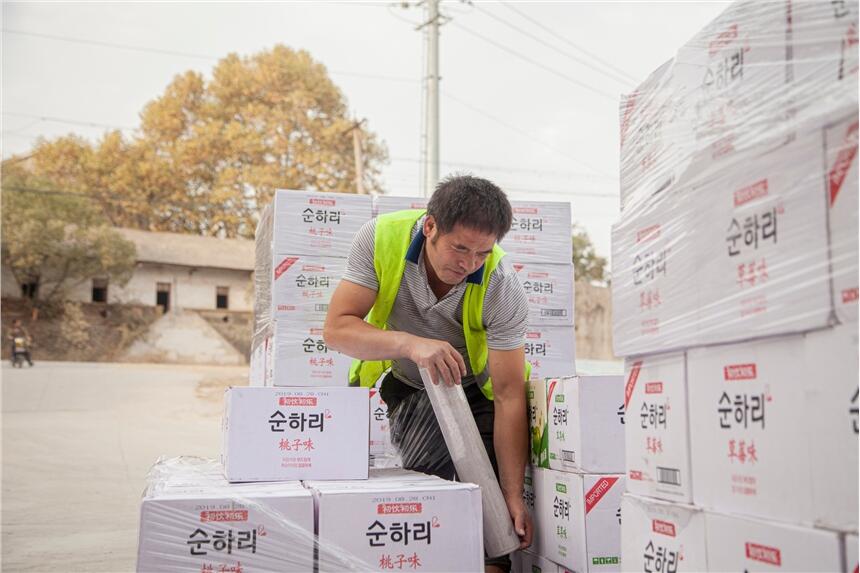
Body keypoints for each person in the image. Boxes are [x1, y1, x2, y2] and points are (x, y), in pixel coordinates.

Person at [324, 175, 532, 573]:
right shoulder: (380, 239)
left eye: (481, 253)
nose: (469, 263)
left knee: (495, 530)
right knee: (423, 508)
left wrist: (512, 494)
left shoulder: (501, 285)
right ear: (431, 226)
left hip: (475, 392)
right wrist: (410, 344)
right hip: (409, 384)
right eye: (460, 248)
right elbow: (336, 328)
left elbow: (508, 395)